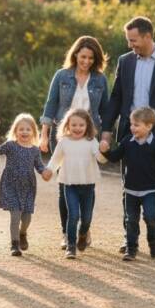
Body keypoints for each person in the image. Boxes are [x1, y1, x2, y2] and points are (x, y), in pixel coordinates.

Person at [101, 16, 155, 252]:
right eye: (128, 40)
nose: (130, 45)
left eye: (134, 40)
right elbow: (116, 97)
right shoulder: (125, 61)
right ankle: (130, 236)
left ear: (148, 36)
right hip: (128, 132)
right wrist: (106, 130)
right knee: (129, 183)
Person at [39, 36, 109, 250]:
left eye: (91, 58)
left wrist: (105, 138)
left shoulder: (100, 79)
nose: (86, 61)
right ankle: (66, 232)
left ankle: (84, 228)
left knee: (87, 182)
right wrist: (44, 135)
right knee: (65, 184)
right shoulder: (62, 75)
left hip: (89, 137)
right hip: (64, 136)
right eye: (83, 56)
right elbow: (50, 105)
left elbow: (105, 110)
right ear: (76, 54)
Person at [99, 107, 155, 261]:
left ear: (149, 126)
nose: (132, 128)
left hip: (150, 190)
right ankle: (131, 249)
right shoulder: (127, 142)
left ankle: (154, 243)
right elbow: (115, 157)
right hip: (130, 190)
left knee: (150, 217)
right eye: (131, 124)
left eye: (136, 125)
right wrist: (106, 151)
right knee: (130, 220)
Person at [0, 113, 53, 256]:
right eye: (21, 129)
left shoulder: (35, 150)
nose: (24, 132)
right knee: (15, 216)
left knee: (26, 218)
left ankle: (22, 233)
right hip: (11, 185)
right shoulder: (11, 146)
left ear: (33, 132)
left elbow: (39, 166)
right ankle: (14, 244)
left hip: (28, 187)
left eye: (28, 129)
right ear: (15, 131)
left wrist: (45, 172)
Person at [46, 108, 102, 259]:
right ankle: (71, 246)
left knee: (86, 218)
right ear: (67, 126)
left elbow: (101, 159)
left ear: (87, 126)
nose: (77, 128)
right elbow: (55, 160)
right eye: (74, 125)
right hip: (69, 185)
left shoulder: (91, 141)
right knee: (73, 215)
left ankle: (83, 234)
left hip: (88, 186)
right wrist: (49, 170)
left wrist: (103, 151)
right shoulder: (64, 142)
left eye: (81, 125)